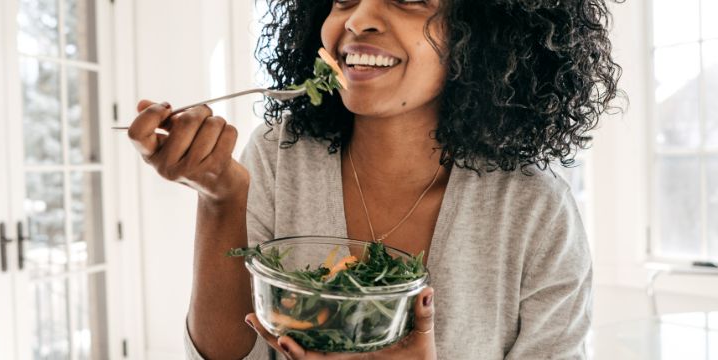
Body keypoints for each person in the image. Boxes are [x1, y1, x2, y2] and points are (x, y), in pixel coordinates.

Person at [128, 0, 622, 358]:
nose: (358, 18)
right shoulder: (280, 153)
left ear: (483, 33)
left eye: (407, 0)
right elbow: (228, 356)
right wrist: (221, 198)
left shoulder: (534, 207)